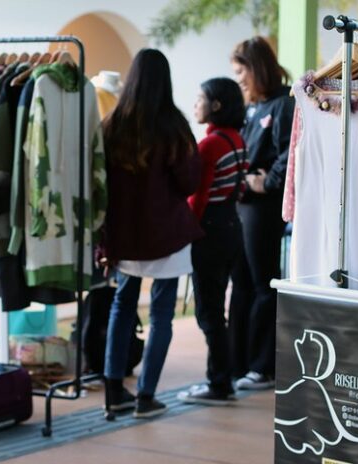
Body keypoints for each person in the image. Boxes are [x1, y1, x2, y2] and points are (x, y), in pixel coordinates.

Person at [101, 48, 203, 418]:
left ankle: (114, 391)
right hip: (166, 235)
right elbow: (190, 181)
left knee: (122, 306)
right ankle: (146, 397)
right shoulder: (173, 126)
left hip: (124, 235)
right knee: (161, 314)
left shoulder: (112, 125)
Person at [229, 36, 295, 390]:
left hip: (263, 209)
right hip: (241, 206)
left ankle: (262, 366)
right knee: (240, 283)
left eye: (241, 72)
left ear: (256, 69)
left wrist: (267, 183)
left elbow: (290, 154)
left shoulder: (284, 104)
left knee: (262, 283)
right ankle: (237, 362)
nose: (239, 79)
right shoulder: (251, 108)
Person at [178, 78, 248, 405]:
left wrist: (184, 232)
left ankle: (218, 383)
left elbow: (198, 197)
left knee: (209, 312)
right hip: (232, 227)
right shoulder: (236, 139)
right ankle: (224, 378)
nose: (195, 104)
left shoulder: (209, 145)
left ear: (216, 105)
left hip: (209, 233)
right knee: (217, 308)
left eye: (200, 98)